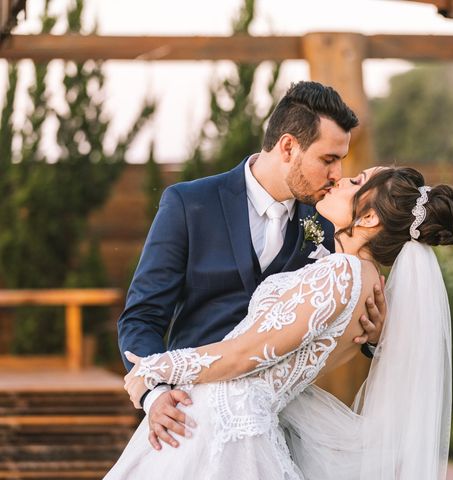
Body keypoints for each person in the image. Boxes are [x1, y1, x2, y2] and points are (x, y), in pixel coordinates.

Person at [107, 166, 453, 479]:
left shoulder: (342, 272)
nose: (339, 180)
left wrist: (155, 367)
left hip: (225, 425)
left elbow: (247, 354)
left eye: (355, 181)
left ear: (370, 219)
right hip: (224, 418)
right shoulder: (367, 282)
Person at [117, 81, 387, 451]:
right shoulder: (189, 204)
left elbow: (332, 319)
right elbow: (142, 318)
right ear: (288, 146)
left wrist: (371, 339)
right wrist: (156, 394)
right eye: (328, 159)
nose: (337, 174)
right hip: (190, 423)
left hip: (281, 429)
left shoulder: (330, 223)